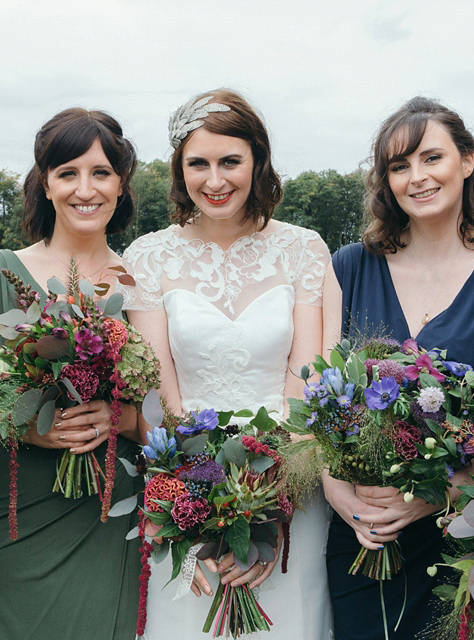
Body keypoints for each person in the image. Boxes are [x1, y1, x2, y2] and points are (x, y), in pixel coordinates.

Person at [321, 96, 474, 639]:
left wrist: (439, 496)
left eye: (431, 158)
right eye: (399, 166)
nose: (416, 177)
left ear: (468, 161)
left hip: (465, 536)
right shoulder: (349, 266)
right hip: (361, 535)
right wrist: (343, 498)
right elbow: (318, 399)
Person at [124, 89, 334, 639]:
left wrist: (268, 511)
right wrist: (191, 502)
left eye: (230, 161)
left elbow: (304, 383)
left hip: (290, 478)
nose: (214, 180)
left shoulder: (303, 249)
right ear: (180, 170)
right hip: (185, 479)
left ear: (257, 162)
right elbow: (159, 395)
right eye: (199, 163)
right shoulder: (149, 257)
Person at [0, 108, 143, 640]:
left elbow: (159, 408)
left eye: (101, 173)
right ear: (45, 183)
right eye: (67, 173)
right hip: (9, 513)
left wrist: (121, 415)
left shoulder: (142, 280)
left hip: (105, 514)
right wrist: (31, 427)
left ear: (121, 182)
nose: (85, 189)